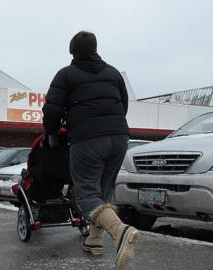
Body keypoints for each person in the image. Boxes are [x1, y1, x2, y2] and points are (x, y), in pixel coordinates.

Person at [42, 31, 138, 268]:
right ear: (95, 49)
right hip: (118, 137)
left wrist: (52, 133)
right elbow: (123, 104)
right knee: (102, 192)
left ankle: (120, 231)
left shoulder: (66, 74)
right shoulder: (113, 73)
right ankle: (94, 241)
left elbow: (52, 109)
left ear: (72, 51)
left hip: (87, 138)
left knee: (85, 194)